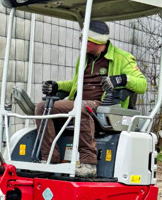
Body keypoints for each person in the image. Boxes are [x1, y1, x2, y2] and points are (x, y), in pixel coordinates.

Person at [35, 20, 147, 177]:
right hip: (79, 103)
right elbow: (76, 83)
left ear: (97, 41)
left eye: (85, 40)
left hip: (103, 105)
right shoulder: (84, 58)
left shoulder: (122, 58)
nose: (81, 42)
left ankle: (89, 163)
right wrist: (57, 85)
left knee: (81, 107)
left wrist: (121, 79)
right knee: (42, 107)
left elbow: (142, 84)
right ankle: (49, 159)